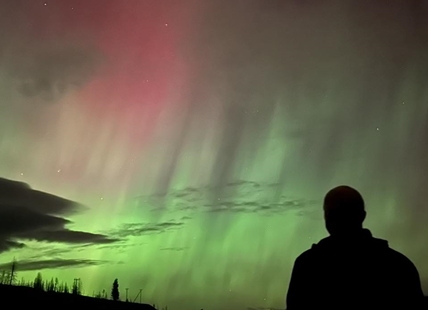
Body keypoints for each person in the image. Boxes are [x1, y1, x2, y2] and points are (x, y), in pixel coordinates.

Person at [286, 185, 425, 310]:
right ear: (362, 216)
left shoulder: (308, 264)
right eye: (333, 212)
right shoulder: (398, 265)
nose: (337, 218)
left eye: (342, 211)